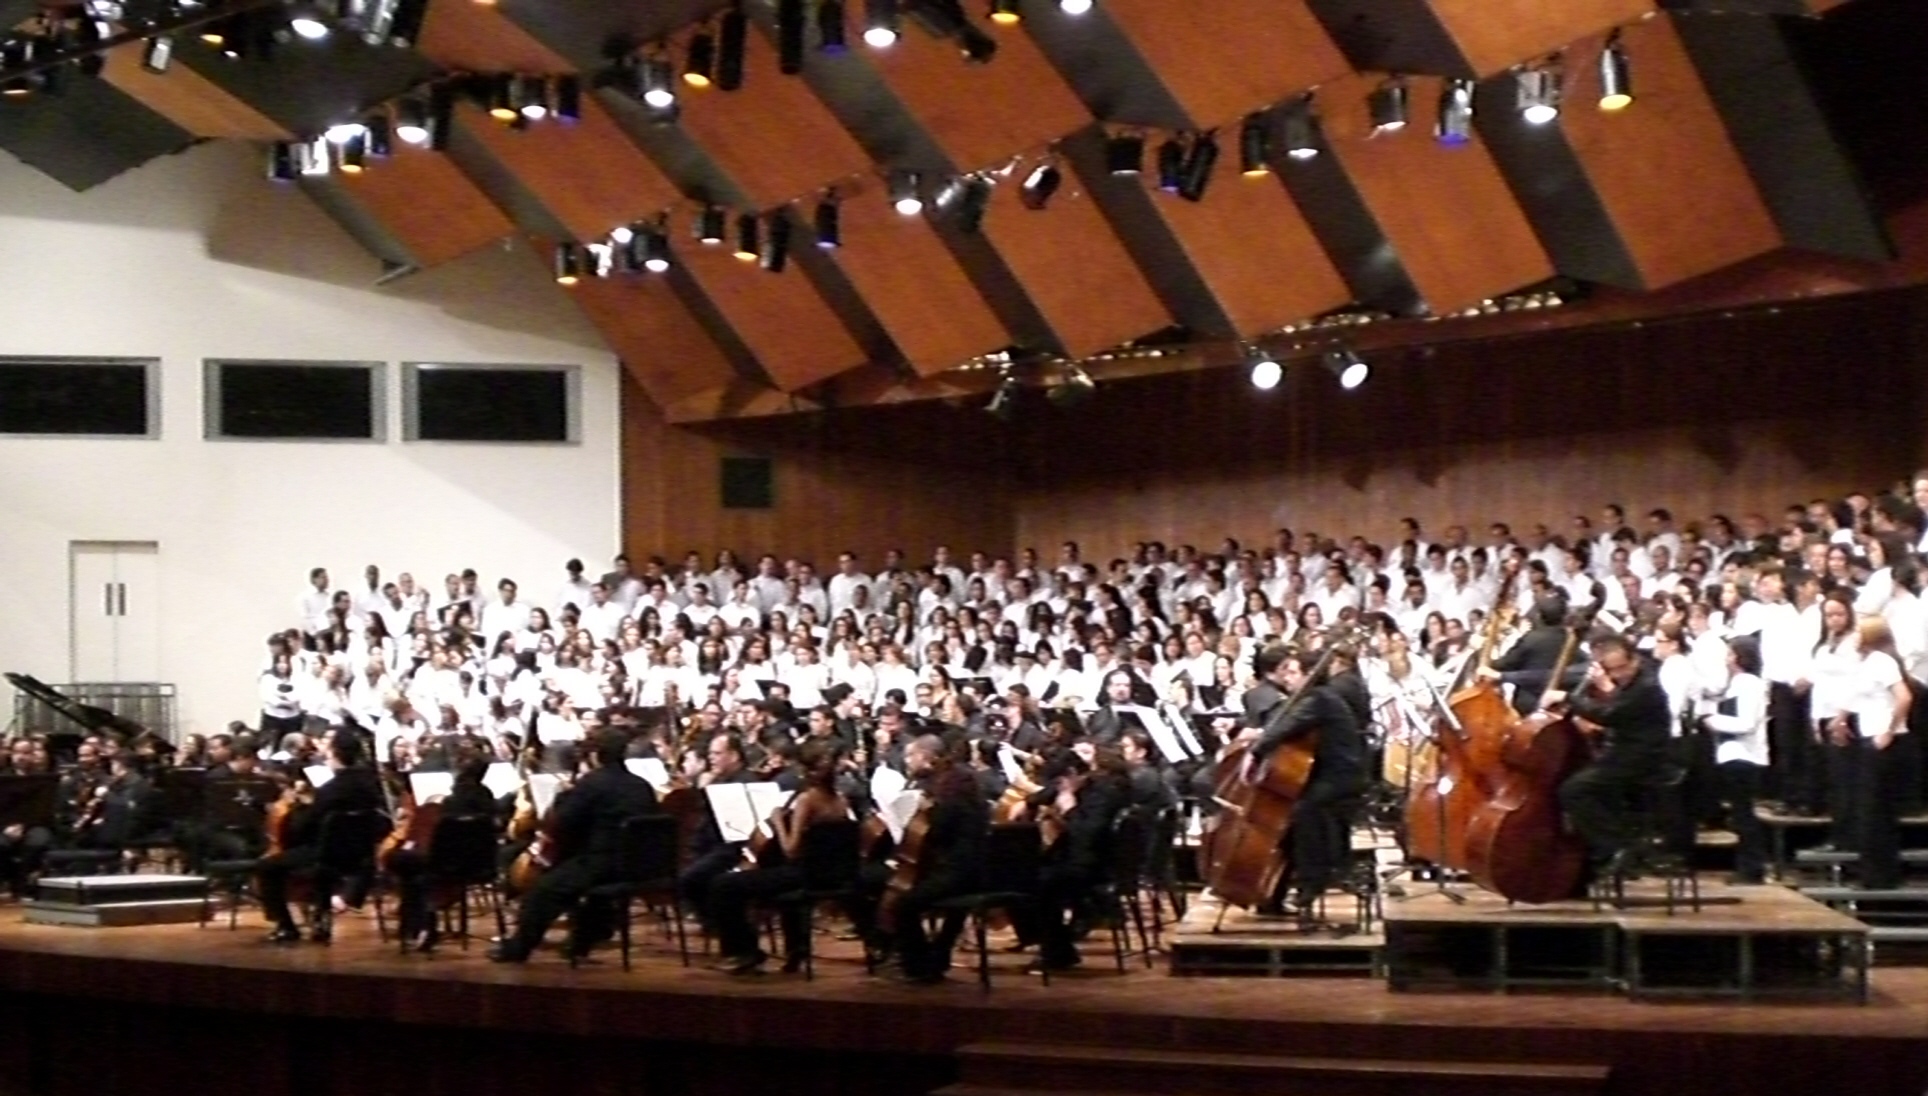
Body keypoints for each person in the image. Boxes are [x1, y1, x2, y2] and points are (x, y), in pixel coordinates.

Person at [489, 730, 662, 962]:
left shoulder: (592, 784)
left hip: (602, 864)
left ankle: (519, 948)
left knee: (542, 891)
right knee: (584, 886)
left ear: (595, 756)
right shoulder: (641, 786)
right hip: (638, 865)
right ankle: (582, 941)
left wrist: (563, 798)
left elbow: (561, 825)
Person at [707, 739, 850, 975]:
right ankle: (794, 949)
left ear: (804, 769)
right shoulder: (840, 800)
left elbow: (791, 849)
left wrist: (777, 821)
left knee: (724, 885)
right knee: (754, 881)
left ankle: (744, 952)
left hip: (802, 874)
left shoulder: (807, 800)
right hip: (831, 873)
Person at [1247, 645, 1369, 923]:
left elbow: (1281, 730)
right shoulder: (1316, 697)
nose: (1287, 677)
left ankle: (1314, 880)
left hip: (1342, 778)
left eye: (1293, 672)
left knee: (1301, 813)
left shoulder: (1318, 700)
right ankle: (1276, 893)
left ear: (1308, 676)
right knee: (1290, 818)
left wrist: (1255, 751)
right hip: (1326, 775)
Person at [1547, 633, 1673, 881]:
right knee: (1589, 787)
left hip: (1641, 758)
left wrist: (1569, 698)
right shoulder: (1632, 680)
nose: (1617, 675)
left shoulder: (1647, 685)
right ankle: (1617, 847)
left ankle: (1617, 846)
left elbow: (1610, 713)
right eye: (1610, 670)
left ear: (1634, 659)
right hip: (1624, 752)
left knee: (1573, 790)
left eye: (1621, 668)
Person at [874, 734, 989, 984]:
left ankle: (918, 965)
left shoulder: (948, 791)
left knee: (903, 905)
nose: (907, 761)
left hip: (958, 872)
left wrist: (921, 814)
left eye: (911, 755)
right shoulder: (962, 781)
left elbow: (937, 833)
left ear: (926, 758)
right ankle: (937, 956)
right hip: (978, 869)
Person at [257, 735, 385, 944]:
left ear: (334, 754)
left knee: (267, 866)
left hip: (327, 855)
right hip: (360, 855)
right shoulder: (369, 786)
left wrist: (297, 806)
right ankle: (320, 921)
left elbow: (305, 827)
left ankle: (286, 927)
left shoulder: (330, 789)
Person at [389, 756, 498, 952]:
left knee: (408, 866)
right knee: (414, 869)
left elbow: (440, 843)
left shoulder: (450, 804)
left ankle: (418, 926)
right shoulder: (488, 801)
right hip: (483, 865)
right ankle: (418, 926)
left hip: (448, 866)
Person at [1698, 636, 1771, 883]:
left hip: (1744, 757)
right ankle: (1747, 866)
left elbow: (1747, 723)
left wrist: (1710, 719)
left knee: (1744, 815)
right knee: (1740, 815)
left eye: (1730, 654)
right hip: (1733, 756)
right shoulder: (1737, 684)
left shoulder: (1748, 684)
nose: (1727, 659)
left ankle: (1752, 869)